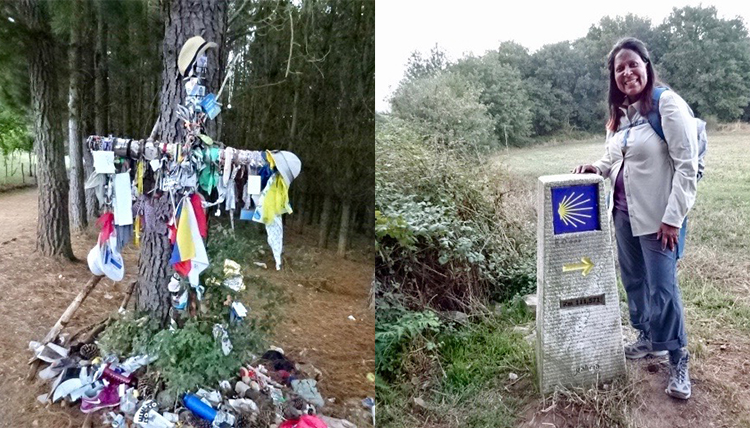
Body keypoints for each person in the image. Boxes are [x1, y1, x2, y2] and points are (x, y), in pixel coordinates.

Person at [574, 37, 698, 400]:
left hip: (660, 219)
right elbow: (613, 160)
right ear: (613, 77)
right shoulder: (620, 117)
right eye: (619, 69)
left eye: (633, 64)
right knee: (633, 281)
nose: (627, 73)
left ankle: (677, 357)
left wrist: (674, 218)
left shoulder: (667, 106)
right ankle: (646, 336)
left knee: (663, 288)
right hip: (624, 216)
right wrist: (594, 167)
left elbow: (687, 168)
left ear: (646, 65)